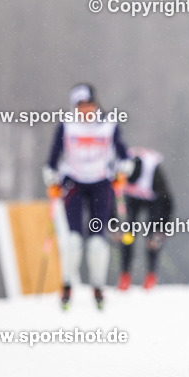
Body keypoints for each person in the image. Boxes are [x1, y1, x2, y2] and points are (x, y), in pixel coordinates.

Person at [43, 83, 131, 310]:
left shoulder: (108, 125)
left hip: (101, 183)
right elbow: (53, 157)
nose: (85, 110)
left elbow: (124, 155)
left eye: (88, 105)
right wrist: (51, 178)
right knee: (73, 239)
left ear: (95, 104)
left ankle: (98, 287)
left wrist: (123, 171)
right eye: (80, 106)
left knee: (96, 240)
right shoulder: (67, 126)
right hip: (73, 182)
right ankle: (66, 285)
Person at [117, 147, 175, 291]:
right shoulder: (121, 170)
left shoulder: (154, 174)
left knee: (152, 238)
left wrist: (163, 229)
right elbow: (110, 197)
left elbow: (169, 202)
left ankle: (151, 275)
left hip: (154, 199)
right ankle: (125, 276)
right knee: (128, 235)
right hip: (133, 200)